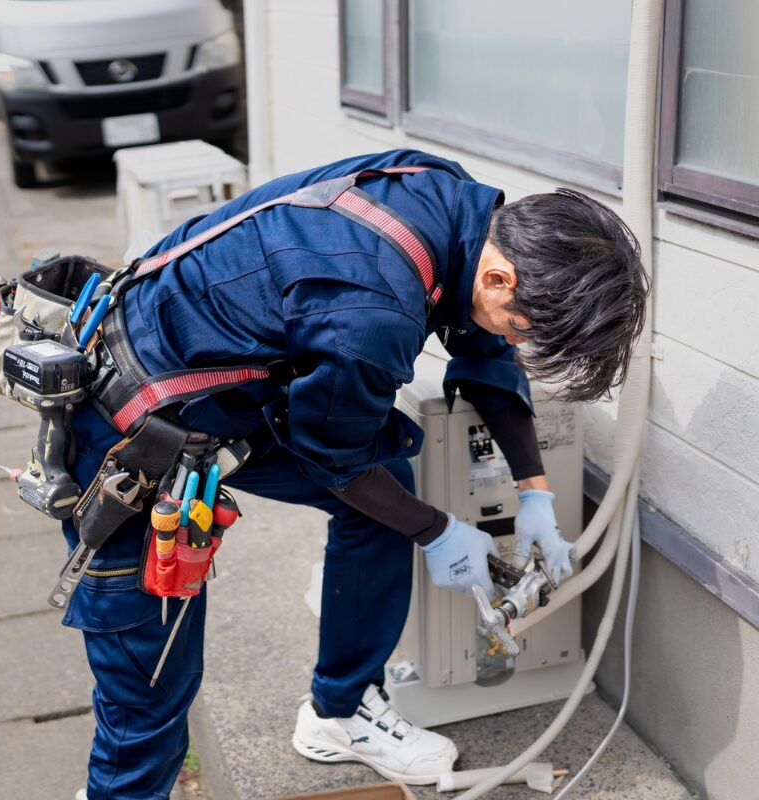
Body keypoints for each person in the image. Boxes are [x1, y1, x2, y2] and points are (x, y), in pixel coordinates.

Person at [66, 149, 648, 799]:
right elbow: (334, 458)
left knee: (388, 490)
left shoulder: (451, 201)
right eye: (523, 330)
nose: (516, 344)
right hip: (125, 432)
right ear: (502, 279)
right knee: (152, 686)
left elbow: (482, 346)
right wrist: (438, 532)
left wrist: (535, 491)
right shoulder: (369, 311)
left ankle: (339, 714)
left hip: (222, 386)